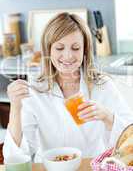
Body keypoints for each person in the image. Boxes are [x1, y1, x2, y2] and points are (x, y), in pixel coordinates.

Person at [3, 12, 133, 163]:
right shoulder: (36, 90)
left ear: (85, 50)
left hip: (91, 166)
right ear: (48, 50)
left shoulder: (102, 85)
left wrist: (107, 117)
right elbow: (15, 156)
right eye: (59, 48)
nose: (68, 56)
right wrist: (16, 107)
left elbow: (129, 138)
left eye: (76, 48)